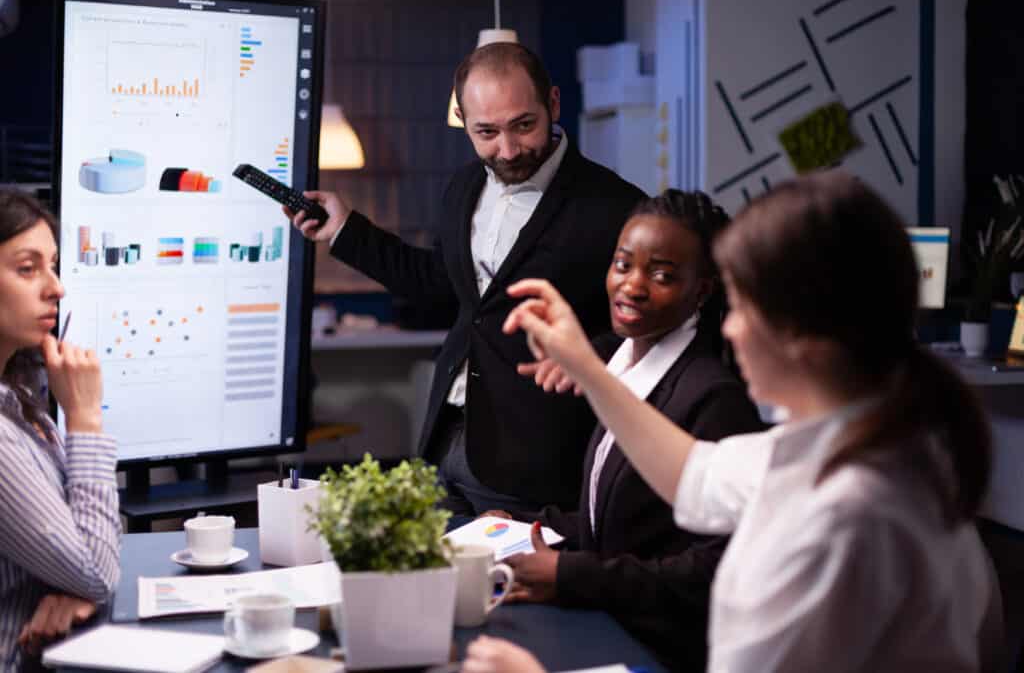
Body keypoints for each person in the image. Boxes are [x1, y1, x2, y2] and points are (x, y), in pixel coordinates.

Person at [468, 172, 1000, 672]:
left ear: (804, 337)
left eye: (742, 307)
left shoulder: (846, 519)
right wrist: (586, 364)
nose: (732, 328)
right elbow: (693, 474)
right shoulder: (831, 446)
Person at [287, 42, 644, 516]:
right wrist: (345, 231)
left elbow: (660, 321)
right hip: (444, 440)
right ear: (462, 119)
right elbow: (441, 284)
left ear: (553, 104)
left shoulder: (617, 206)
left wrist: (592, 356)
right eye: (487, 132)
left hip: (533, 463)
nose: (509, 149)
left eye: (524, 125)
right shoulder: (463, 186)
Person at [482, 190, 763, 670]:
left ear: (702, 290)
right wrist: (525, 526)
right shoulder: (628, 365)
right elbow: (618, 520)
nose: (632, 286)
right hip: (607, 621)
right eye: (622, 264)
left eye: (662, 276)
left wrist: (574, 574)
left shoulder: (713, 398)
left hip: (660, 648)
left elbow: (715, 568)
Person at [0, 191, 120, 670]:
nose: (56, 288)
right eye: (27, 269)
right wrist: (86, 420)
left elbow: (99, 535)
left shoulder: (20, 403)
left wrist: (76, 587)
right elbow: (97, 568)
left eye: (53, 265)